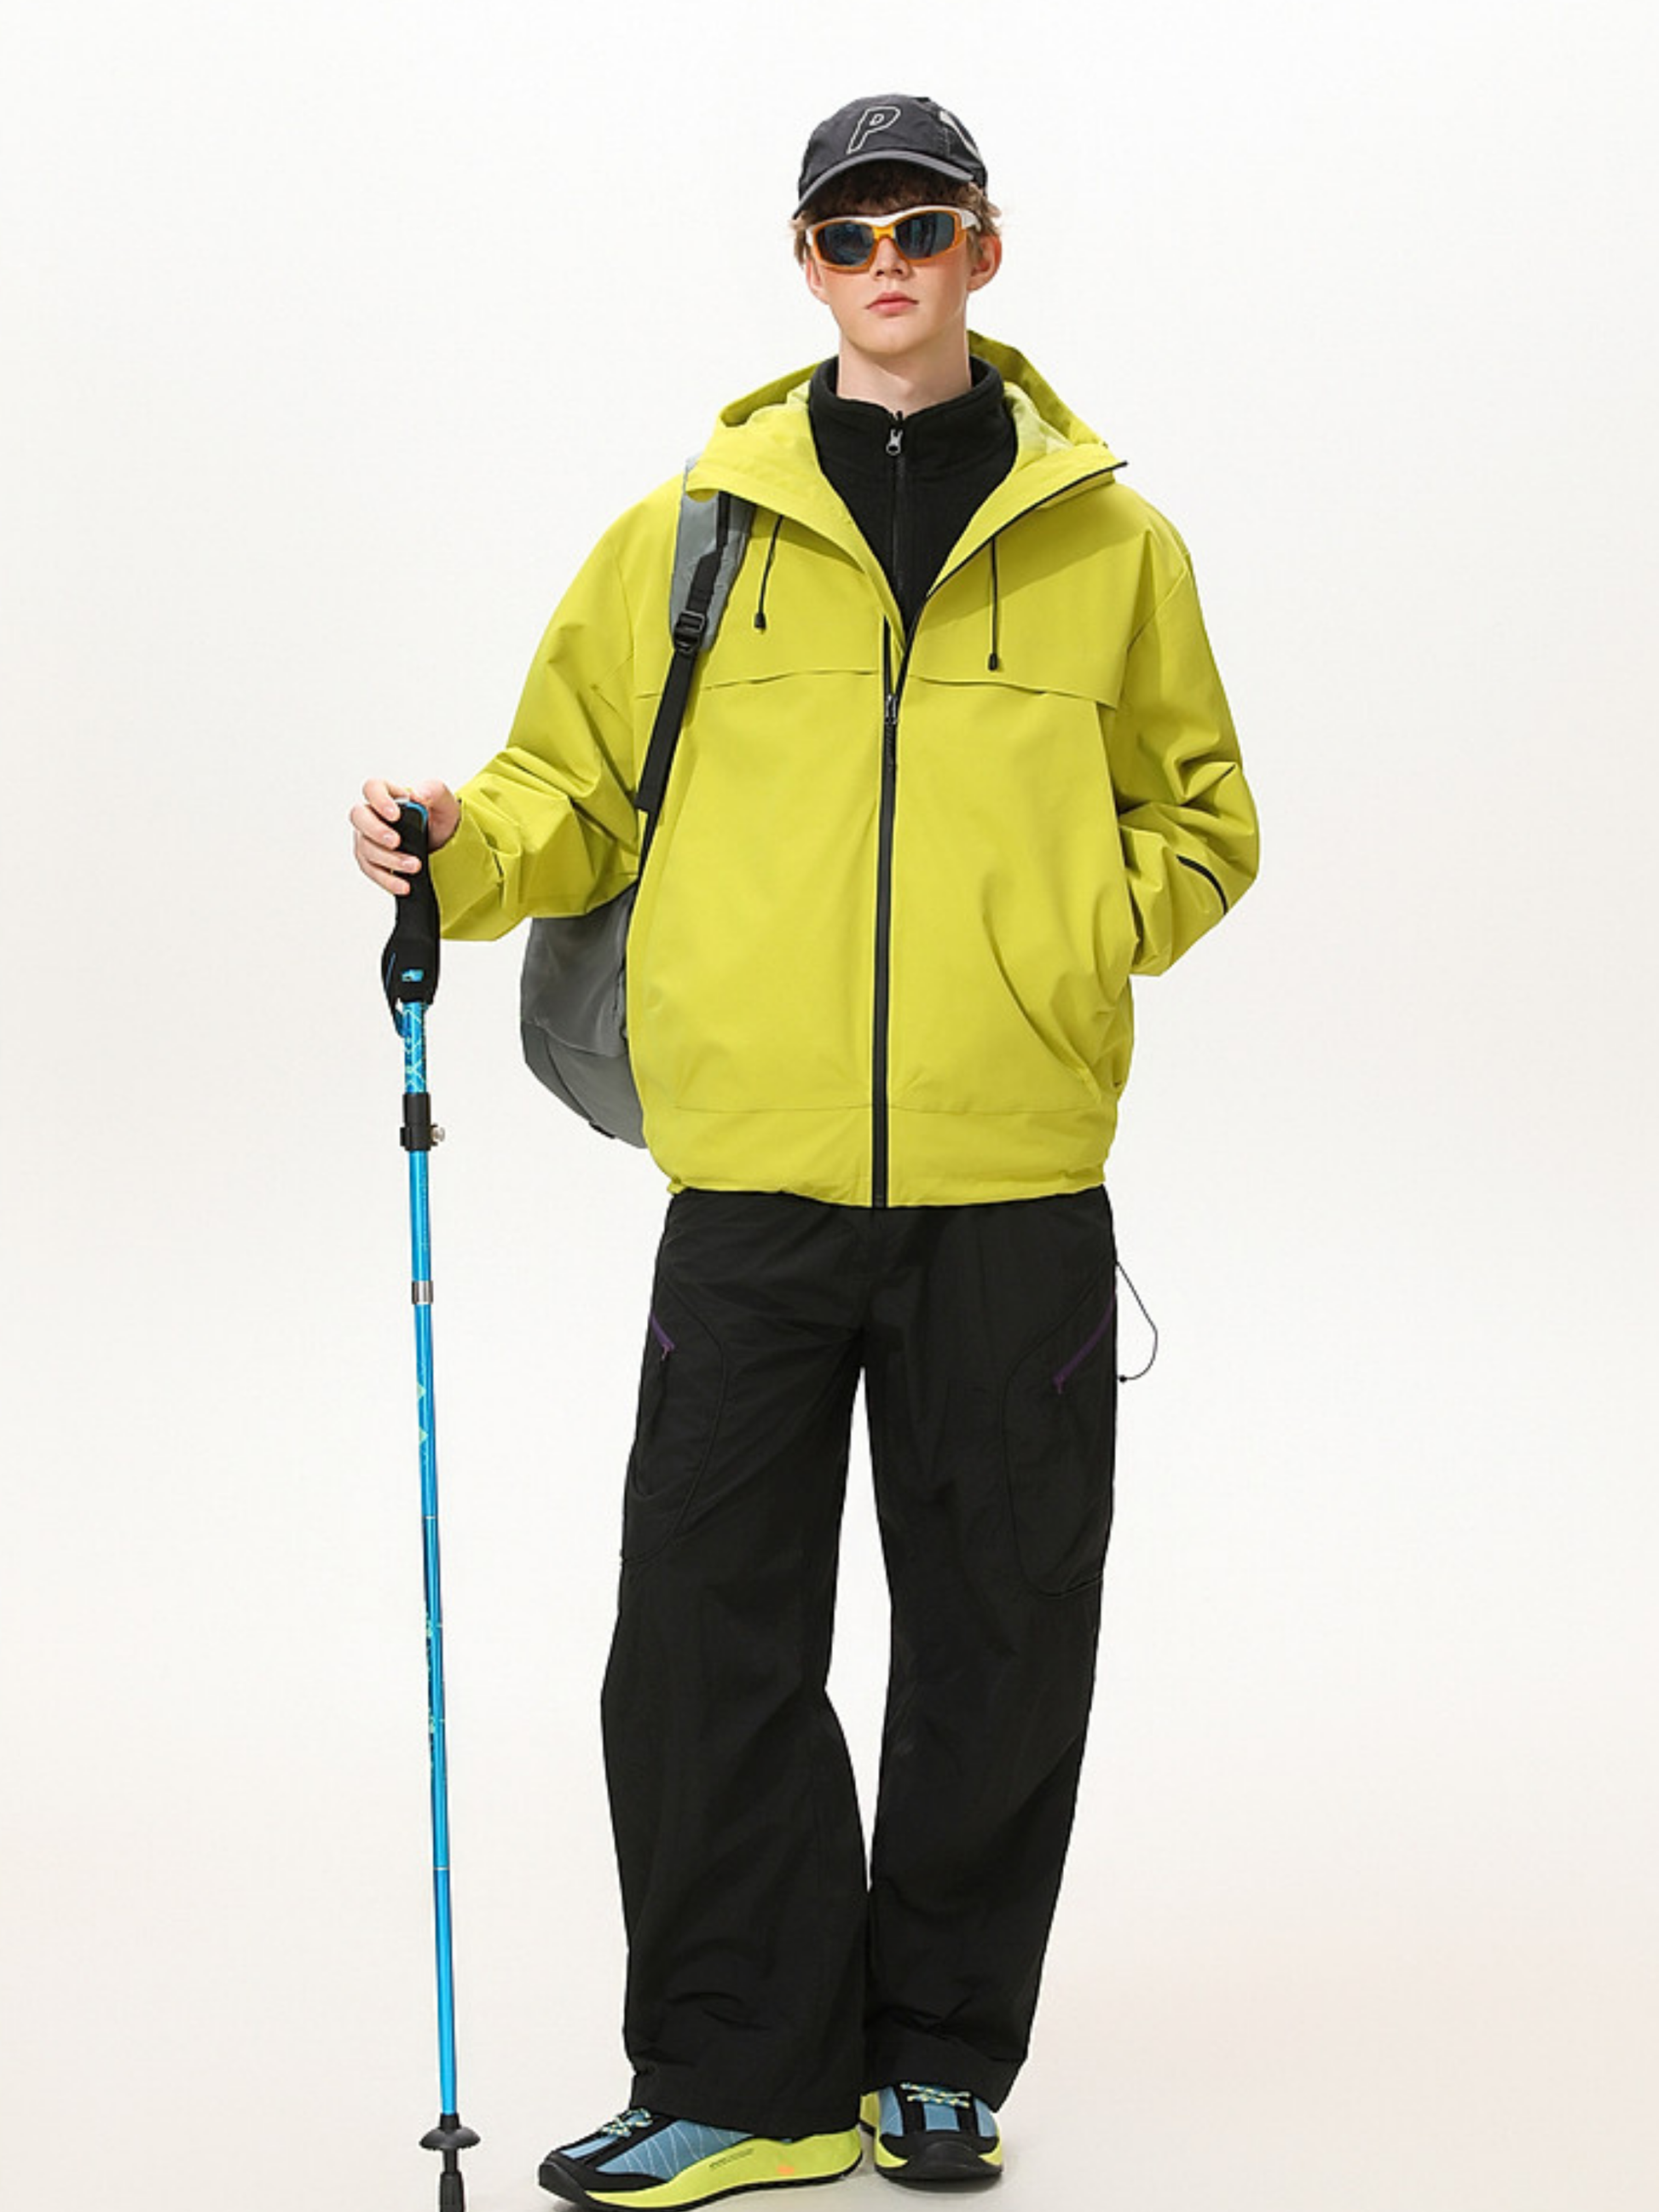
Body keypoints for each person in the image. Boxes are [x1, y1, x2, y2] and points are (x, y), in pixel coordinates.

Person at [352, 93, 1257, 2211]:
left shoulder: (1113, 547)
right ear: (807, 262)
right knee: (703, 1629)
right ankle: (749, 2075)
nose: (885, 263)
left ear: (982, 252)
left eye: (919, 227)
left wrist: (1063, 932)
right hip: (753, 1178)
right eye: (848, 233)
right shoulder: (694, 532)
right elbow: (572, 791)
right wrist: (460, 843)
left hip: (1010, 1179)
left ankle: (937, 2053)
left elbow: (1204, 818)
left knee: (998, 1631)